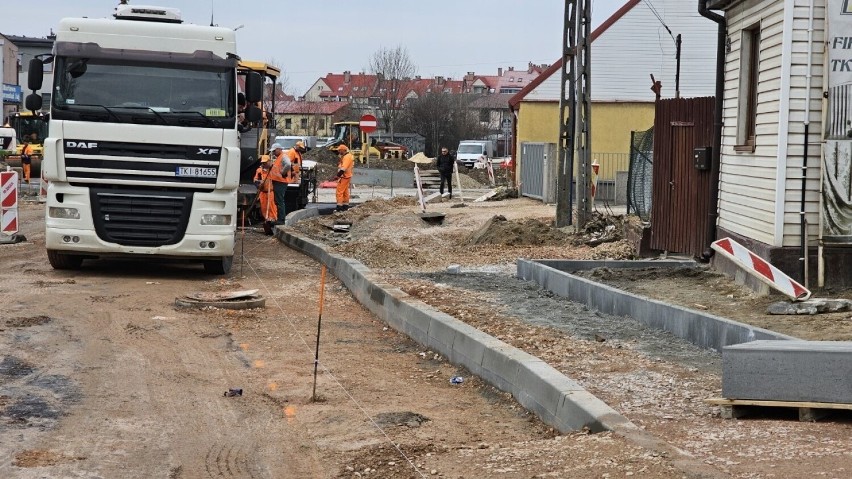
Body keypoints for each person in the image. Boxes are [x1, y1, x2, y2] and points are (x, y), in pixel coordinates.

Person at [266, 143, 291, 224]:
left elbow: (288, 164)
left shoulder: (283, 156)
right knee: (278, 201)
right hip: (278, 182)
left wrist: (283, 172)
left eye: (274, 151)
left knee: (279, 201)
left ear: (278, 149)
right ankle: (280, 219)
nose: (273, 153)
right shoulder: (279, 157)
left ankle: (281, 220)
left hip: (281, 182)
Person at [253, 156, 277, 234]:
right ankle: (267, 221)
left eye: (265, 162)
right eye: (263, 162)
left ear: (269, 161)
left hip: (271, 192)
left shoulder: (273, 169)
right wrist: (259, 183)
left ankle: (273, 222)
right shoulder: (259, 170)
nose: (264, 164)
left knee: (272, 208)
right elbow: (255, 180)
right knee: (264, 209)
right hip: (263, 193)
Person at [334, 144, 354, 212]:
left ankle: (339, 207)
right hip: (347, 176)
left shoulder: (346, 157)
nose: (339, 151)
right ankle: (345, 206)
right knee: (345, 192)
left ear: (343, 150)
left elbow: (343, 168)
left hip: (344, 176)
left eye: (340, 150)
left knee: (339, 191)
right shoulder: (347, 156)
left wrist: (338, 176)